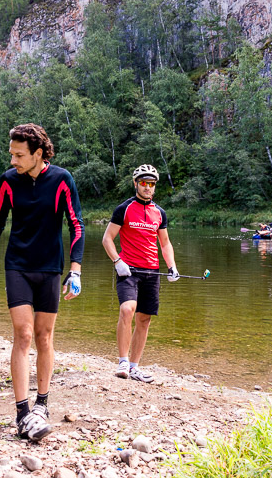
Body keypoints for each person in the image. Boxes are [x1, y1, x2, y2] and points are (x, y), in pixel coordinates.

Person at [0, 124, 85, 442]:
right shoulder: (9, 181)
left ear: (38, 153)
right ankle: (23, 412)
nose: (13, 160)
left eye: (19, 154)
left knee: (44, 337)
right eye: (12, 153)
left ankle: (43, 404)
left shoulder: (62, 179)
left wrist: (75, 270)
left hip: (51, 268)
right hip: (18, 267)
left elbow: (76, 224)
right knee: (23, 335)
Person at [102, 164, 177, 383]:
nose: (148, 187)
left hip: (152, 272)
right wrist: (117, 261)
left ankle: (135, 367)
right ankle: (123, 361)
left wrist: (172, 266)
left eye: (151, 184)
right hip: (128, 270)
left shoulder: (159, 213)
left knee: (144, 319)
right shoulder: (124, 209)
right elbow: (107, 238)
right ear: (136, 183)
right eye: (144, 183)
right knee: (127, 310)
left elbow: (165, 243)